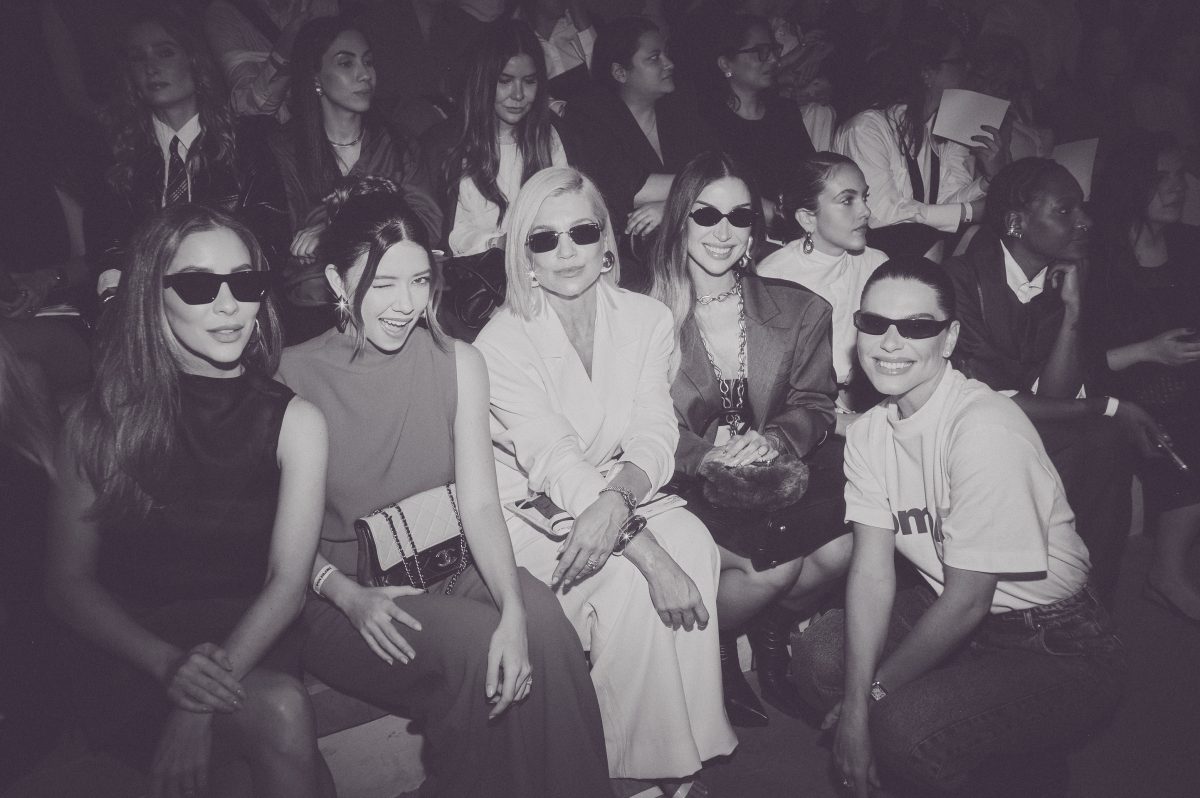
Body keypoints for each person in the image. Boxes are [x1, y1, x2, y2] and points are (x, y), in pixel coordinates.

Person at [274, 179, 611, 798]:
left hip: (447, 563)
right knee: (477, 648)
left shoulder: (458, 360)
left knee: (545, 624)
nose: (405, 304)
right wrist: (346, 595)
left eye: (419, 281)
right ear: (337, 282)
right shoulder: (291, 374)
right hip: (342, 594)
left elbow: (480, 505)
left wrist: (514, 605)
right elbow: (270, 540)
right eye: (382, 284)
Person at [792, 256, 1126, 797]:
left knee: (901, 728)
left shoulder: (983, 427)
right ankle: (981, 735)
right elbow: (872, 573)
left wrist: (870, 701)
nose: (890, 342)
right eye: (874, 323)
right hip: (948, 603)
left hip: (1054, 638)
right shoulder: (872, 433)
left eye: (916, 327)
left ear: (949, 340)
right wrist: (854, 703)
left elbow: (969, 601)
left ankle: (1013, 755)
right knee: (819, 658)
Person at [47, 204, 334, 798]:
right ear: (153, 296)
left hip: (251, 643)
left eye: (245, 283)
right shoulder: (97, 421)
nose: (229, 305)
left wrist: (198, 701)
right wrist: (169, 668)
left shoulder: (296, 422)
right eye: (200, 286)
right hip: (132, 656)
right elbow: (66, 584)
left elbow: (287, 584)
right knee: (282, 723)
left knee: (282, 716)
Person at [474, 166, 737, 792]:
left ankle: (688, 752)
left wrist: (619, 503)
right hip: (530, 509)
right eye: (544, 239)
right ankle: (634, 771)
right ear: (524, 255)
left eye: (582, 232)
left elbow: (655, 430)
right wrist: (646, 551)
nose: (566, 251)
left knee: (694, 544)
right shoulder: (500, 342)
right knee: (630, 580)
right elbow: (552, 458)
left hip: (614, 488)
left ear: (606, 240)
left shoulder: (646, 318)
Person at [649, 150, 851, 727]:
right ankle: (718, 645)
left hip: (774, 469)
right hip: (684, 478)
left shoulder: (800, 308)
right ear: (680, 220)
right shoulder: (642, 316)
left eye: (739, 217)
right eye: (706, 214)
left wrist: (775, 440)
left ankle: (770, 633)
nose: (724, 232)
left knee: (844, 547)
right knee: (776, 567)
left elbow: (816, 403)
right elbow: (640, 423)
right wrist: (707, 456)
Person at [946, 157, 1163, 602]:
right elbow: (993, 401)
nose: (1085, 221)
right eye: (1065, 210)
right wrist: (1110, 406)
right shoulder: (961, 280)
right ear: (1016, 223)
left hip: (1029, 422)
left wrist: (1072, 312)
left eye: (1081, 207)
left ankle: (1091, 600)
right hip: (974, 429)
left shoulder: (1068, 276)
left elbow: (1053, 395)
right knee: (1098, 434)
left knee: (1106, 441)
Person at [92, 9, 289, 284]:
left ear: (194, 60)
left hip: (232, 293)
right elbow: (108, 247)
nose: (150, 68)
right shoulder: (120, 157)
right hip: (144, 298)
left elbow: (269, 240)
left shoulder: (247, 141)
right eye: (138, 58)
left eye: (165, 53)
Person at [1091, 132, 1200, 624]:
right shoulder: (1099, 256)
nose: (1178, 187)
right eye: (1162, 177)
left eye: (1180, 175)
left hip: (1187, 380)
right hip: (1121, 388)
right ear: (1131, 184)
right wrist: (1150, 351)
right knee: (1180, 428)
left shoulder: (1189, 243)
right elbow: (1083, 360)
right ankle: (1167, 574)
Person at [561, 15, 717, 287]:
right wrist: (696, 193)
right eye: (654, 58)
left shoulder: (680, 106)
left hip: (691, 244)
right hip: (625, 260)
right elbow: (633, 190)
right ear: (620, 73)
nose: (669, 64)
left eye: (666, 54)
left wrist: (672, 207)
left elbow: (720, 168)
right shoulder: (589, 115)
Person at [270, 16, 442, 261]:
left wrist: (333, 230)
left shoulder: (399, 145)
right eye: (346, 63)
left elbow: (428, 225)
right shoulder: (284, 150)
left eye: (368, 62)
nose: (365, 74)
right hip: (316, 282)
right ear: (315, 76)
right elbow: (284, 240)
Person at [834, 14, 1004, 260]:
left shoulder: (943, 128)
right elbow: (880, 214)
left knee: (982, 237)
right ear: (927, 73)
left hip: (914, 250)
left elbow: (946, 205)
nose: (967, 68)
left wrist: (990, 179)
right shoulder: (867, 129)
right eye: (958, 61)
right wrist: (966, 212)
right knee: (926, 238)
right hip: (867, 252)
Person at [758, 151, 887, 425]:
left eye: (864, 197)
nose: (865, 211)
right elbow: (768, 390)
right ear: (808, 218)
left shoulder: (877, 264)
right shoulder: (773, 278)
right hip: (803, 417)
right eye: (847, 200)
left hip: (873, 401)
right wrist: (839, 422)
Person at [446, 20, 567, 257]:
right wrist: (498, 243)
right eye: (505, 81)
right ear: (484, 81)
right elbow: (454, 234)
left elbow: (565, 206)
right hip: (479, 270)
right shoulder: (457, 146)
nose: (518, 94)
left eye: (529, 81)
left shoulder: (547, 139)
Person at [702, 13, 814, 223]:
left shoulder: (784, 111)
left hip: (796, 223)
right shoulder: (708, 122)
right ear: (726, 64)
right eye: (761, 52)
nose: (773, 60)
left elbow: (809, 174)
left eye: (773, 50)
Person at [204, 0, 338, 120]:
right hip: (283, 133)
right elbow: (251, 110)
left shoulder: (321, 4)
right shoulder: (223, 13)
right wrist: (283, 54)